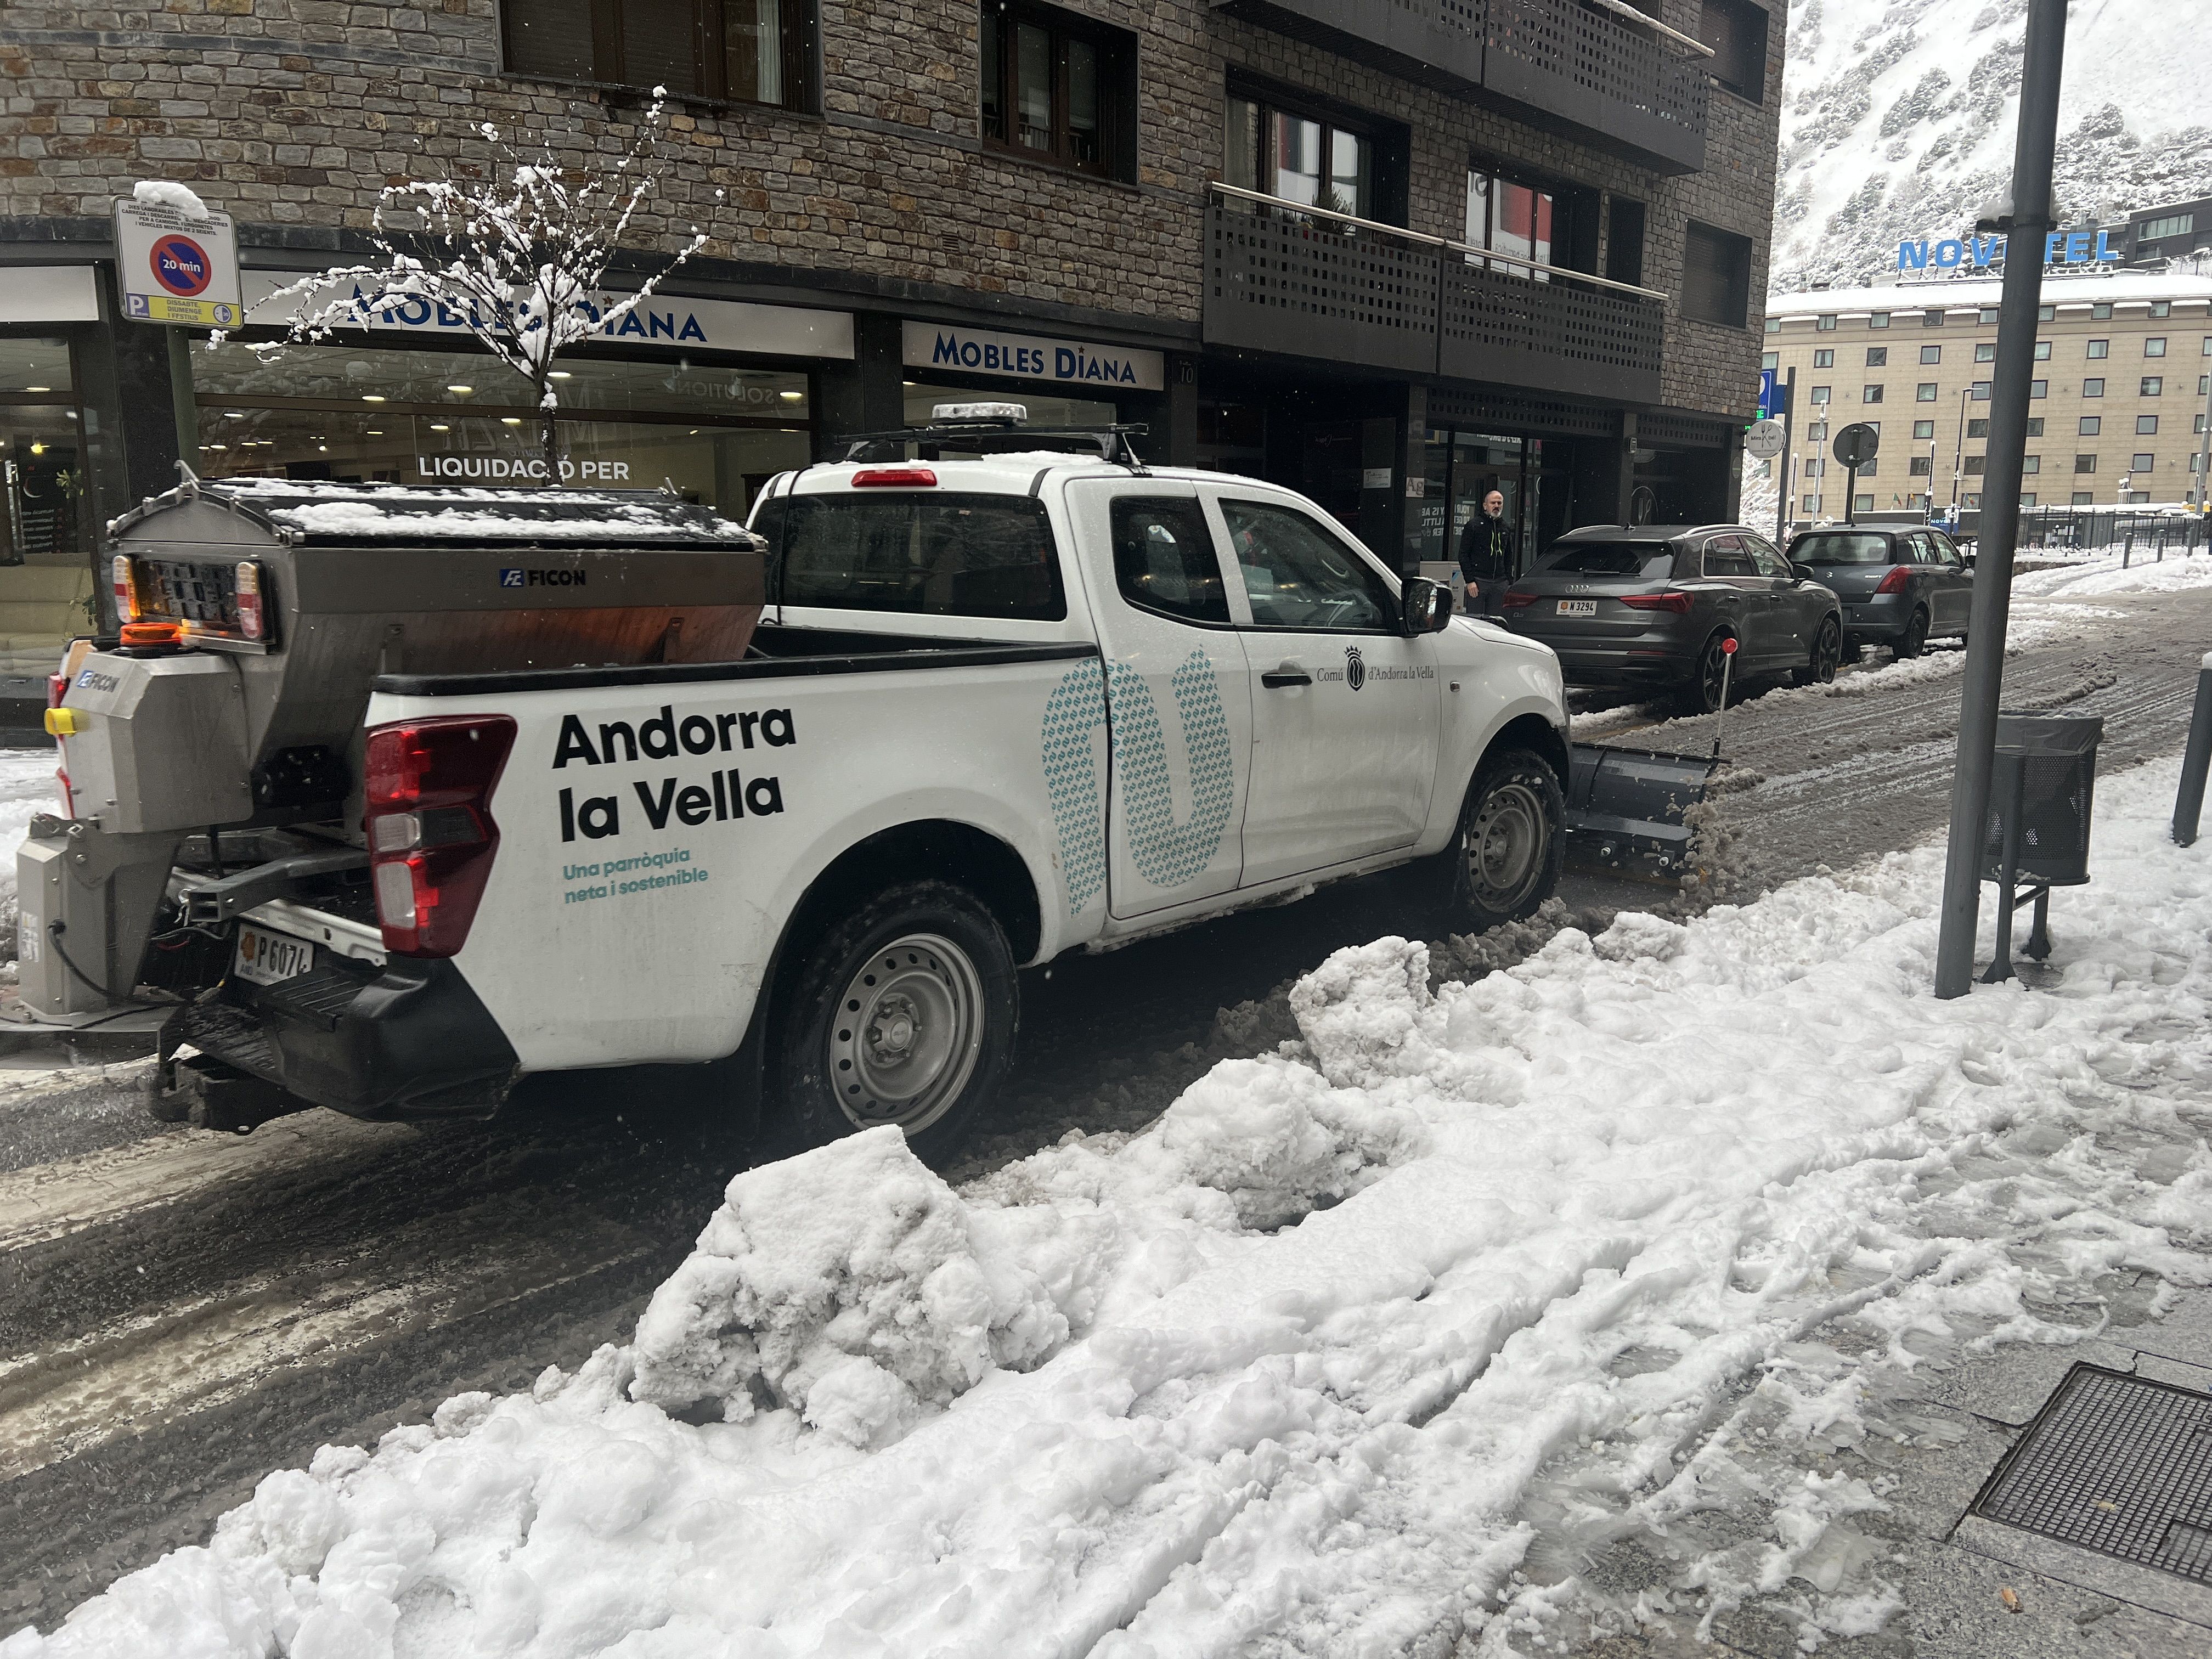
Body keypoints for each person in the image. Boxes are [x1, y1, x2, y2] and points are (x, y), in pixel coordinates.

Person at [1457, 487, 1514, 612]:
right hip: (1479, 582)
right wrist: (1470, 580)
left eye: (1499, 503)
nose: (1497, 506)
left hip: (1500, 583)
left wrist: (1509, 580)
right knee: (1476, 622)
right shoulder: (1474, 526)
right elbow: (1463, 554)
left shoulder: (1505, 528)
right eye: (1493, 503)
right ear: (1485, 505)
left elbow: (1508, 556)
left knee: (1495, 622)